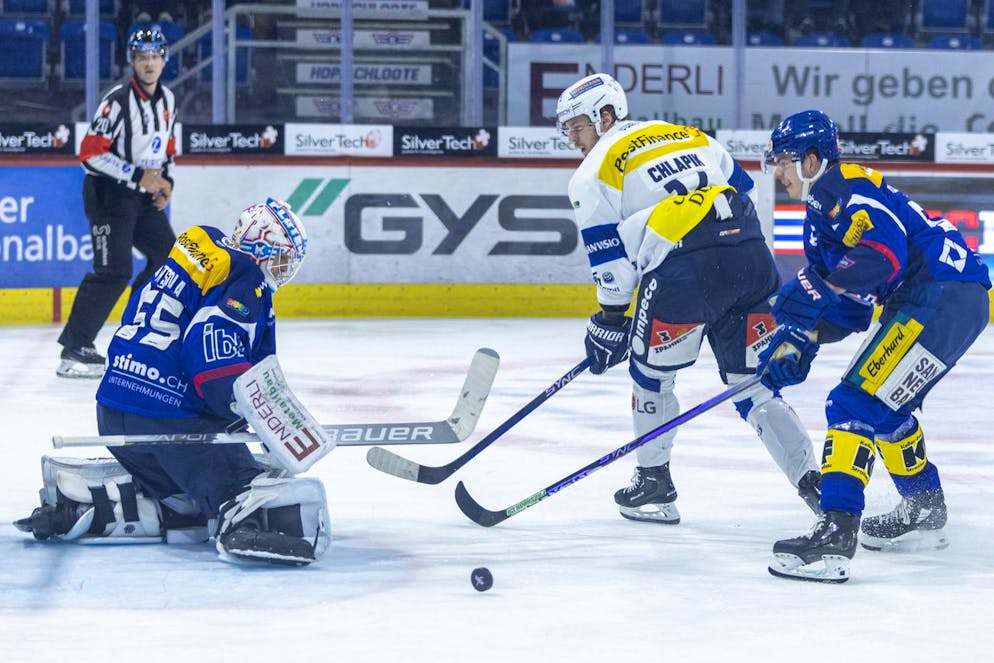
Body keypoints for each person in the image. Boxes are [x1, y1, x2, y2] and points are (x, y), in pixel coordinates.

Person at [557, 73, 822, 525]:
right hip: (752, 257)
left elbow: (612, 264)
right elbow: (746, 189)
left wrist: (611, 320)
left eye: (577, 128)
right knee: (755, 386)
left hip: (684, 270)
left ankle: (654, 484)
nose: (572, 140)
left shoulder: (591, 173)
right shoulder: (688, 134)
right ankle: (818, 489)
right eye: (567, 131)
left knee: (651, 375)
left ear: (606, 116)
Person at [16, 198, 331, 567]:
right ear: (259, 248)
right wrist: (243, 410)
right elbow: (211, 350)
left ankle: (89, 502)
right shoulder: (247, 277)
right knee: (246, 484)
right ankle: (242, 525)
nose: (284, 269)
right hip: (170, 418)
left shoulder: (200, 252)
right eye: (281, 258)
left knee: (185, 502)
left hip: (115, 407)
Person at [759, 110, 991, 583]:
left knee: (852, 402)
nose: (777, 172)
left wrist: (815, 290)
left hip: (937, 293)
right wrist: (805, 340)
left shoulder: (841, 186)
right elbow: (852, 310)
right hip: (954, 297)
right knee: (883, 410)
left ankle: (836, 530)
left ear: (810, 159)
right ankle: (924, 505)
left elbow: (883, 256)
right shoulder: (819, 216)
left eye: (783, 161)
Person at [58, 28, 178, 378]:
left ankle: (137, 326)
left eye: (155, 56)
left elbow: (167, 148)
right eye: (142, 57)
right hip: (108, 194)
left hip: (142, 196)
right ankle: (75, 348)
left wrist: (166, 182)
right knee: (114, 270)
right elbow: (89, 154)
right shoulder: (117, 101)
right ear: (132, 61)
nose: (149, 63)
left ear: (164, 60)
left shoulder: (168, 100)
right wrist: (138, 175)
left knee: (168, 258)